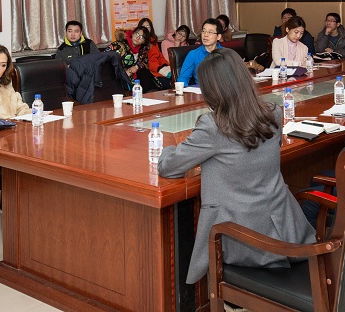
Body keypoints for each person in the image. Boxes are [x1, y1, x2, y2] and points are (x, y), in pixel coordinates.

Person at [158, 49, 315, 284]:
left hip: (241, 238)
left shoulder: (213, 125)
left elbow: (169, 167)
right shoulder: (274, 112)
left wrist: (169, 148)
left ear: (211, 89)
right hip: (287, 229)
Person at [115, 25, 172, 90]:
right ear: (132, 34)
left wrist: (136, 67)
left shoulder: (143, 49)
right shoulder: (120, 45)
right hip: (120, 75)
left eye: (142, 37)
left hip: (136, 77)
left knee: (145, 73)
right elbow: (111, 59)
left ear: (144, 41)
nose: (138, 38)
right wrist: (125, 72)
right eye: (137, 34)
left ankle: (149, 94)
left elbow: (145, 63)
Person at [177, 19, 223, 86]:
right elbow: (183, 79)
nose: (205, 35)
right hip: (201, 90)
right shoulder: (193, 55)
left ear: (218, 36)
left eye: (210, 32)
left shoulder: (225, 54)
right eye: (203, 31)